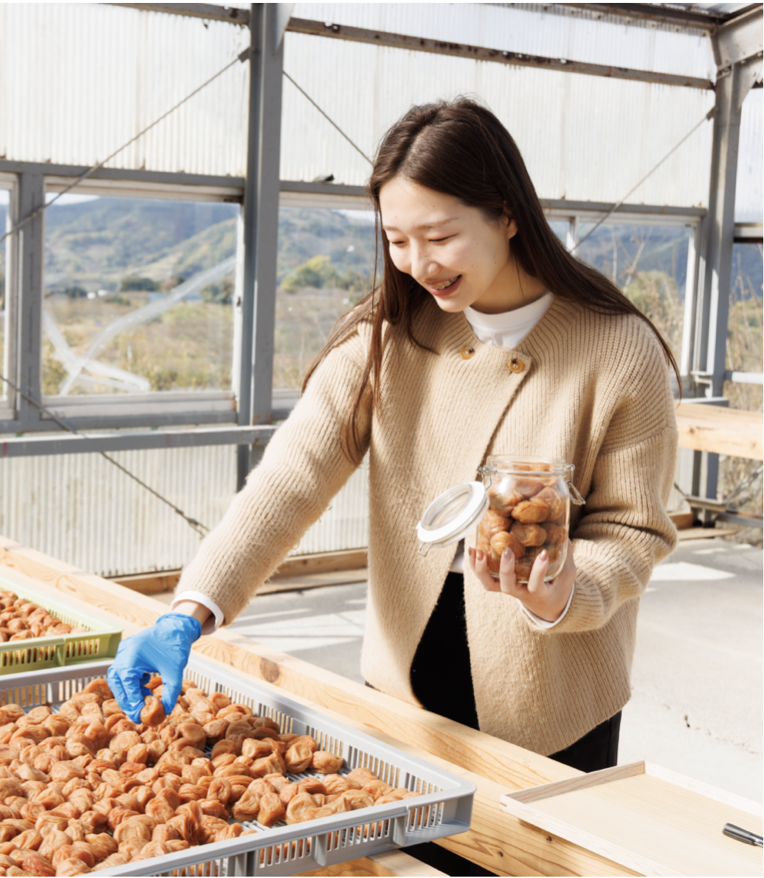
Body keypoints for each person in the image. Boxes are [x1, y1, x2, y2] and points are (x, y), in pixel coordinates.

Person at [108, 97, 680, 781]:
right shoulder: (386, 334)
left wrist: (561, 591)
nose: (418, 263)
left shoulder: (618, 349)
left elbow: (632, 530)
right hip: (404, 689)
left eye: (439, 237)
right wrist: (190, 609)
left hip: (552, 704)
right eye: (395, 239)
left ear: (506, 214)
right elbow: (291, 479)